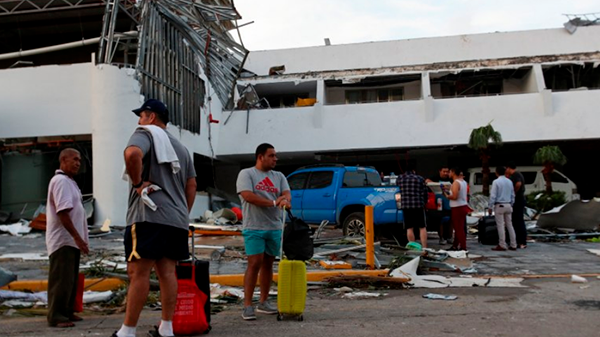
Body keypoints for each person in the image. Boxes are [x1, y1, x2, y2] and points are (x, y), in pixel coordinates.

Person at [115, 99, 197, 337]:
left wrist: (139, 184)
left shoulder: (146, 133)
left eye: (141, 115)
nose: (139, 120)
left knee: (138, 273)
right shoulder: (181, 148)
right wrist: (181, 211)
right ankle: (166, 328)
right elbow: (191, 185)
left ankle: (127, 331)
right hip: (176, 220)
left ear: (151, 117)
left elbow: (132, 154)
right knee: (167, 273)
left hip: (148, 216)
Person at [237, 143, 291, 321]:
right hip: (254, 227)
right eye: (272, 155)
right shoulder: (247, 174)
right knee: (254, 263)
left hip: (274, 227)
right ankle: (247, 305)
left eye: (276, 156)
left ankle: (264, 301)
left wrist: (285, 200)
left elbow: (286, 194)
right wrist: (274, 203)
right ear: (260, 157)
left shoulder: (279, 176)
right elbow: (248, 196)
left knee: (268, 264)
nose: (275, 159)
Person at [46, 148, 89, 328]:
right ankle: (56, 315)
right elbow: (63, 212)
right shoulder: (61, 181)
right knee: (61, 279)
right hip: (64, 239)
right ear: (63, 160)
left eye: (79, 160)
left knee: (70, 279)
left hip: (71, 240)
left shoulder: (70, 182)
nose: (78, 163)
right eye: (74, 159)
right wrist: (77, 238)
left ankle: (67, 311)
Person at [397, 164, 429, 249]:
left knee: (409, 228)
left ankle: (413, 247)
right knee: (422, 227)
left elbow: (397, 190)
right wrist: (424, 203)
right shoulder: (420, 179)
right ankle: (424, 247)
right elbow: (425, 193)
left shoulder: (400, 179)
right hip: (418, 205)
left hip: (406, 206)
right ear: (413, 170)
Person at [488, 166, 516, 251]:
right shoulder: (509, 181)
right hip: (508, 204)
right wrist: (511, 203)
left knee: (500, 226)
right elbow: (512, 194)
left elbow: (493, 195)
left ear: (496, 173)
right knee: (510, 225)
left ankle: (502, 244)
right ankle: (513, 244)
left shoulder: (496, 182)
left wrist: (490, 206)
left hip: (499, 205)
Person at [443, 167, 469, 251]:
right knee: (459, 227)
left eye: (449, 172)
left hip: (457, 207)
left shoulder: (456, 183)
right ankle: (455, 245)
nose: (448, 173)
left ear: (453, 172)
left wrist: (446, 195)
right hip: (463, 205)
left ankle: (463, 247)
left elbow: (454, 196)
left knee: (458, 228)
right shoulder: (463, 182)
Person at [425, 166, 452, 244]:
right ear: (440, 171)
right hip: (439, 202)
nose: (446, 173)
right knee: (440, 221)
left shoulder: (450, 179)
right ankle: (441, 237)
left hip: (449, 202)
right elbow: (427, 181)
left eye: (447, 172)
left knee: (450, 220)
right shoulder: (435, 177)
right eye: (444, 171)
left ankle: (450, 237)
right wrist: (438, 184)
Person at [506, 162, 527, 249]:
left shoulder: (516, 175)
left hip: (518, 200)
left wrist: (513, 193)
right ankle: (518, 240)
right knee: (516, 220)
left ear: (508, 168)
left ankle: (521, 241)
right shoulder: (518, 174)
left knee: (518, 220)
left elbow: (518, 184)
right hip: (519, 199)